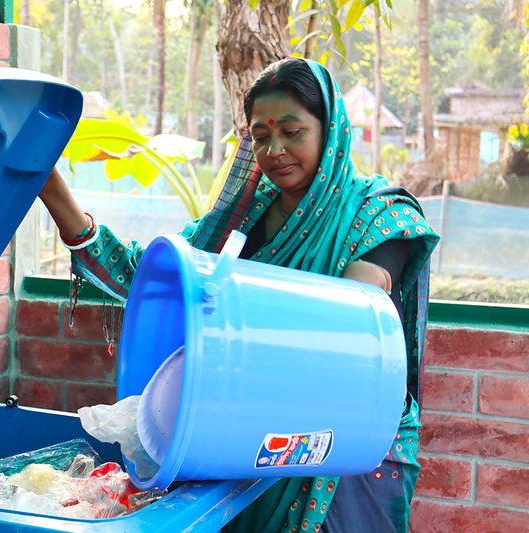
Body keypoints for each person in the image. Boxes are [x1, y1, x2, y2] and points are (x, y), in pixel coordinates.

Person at [39, 58, 439, 532]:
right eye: (261, 135)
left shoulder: (378, 213)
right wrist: (52, 190)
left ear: (329, 130)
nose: (275, 150)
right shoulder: (238, 226)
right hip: (254, 433)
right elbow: (151, 279)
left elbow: (350, 315)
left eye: (293, 131)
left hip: (349, 443)